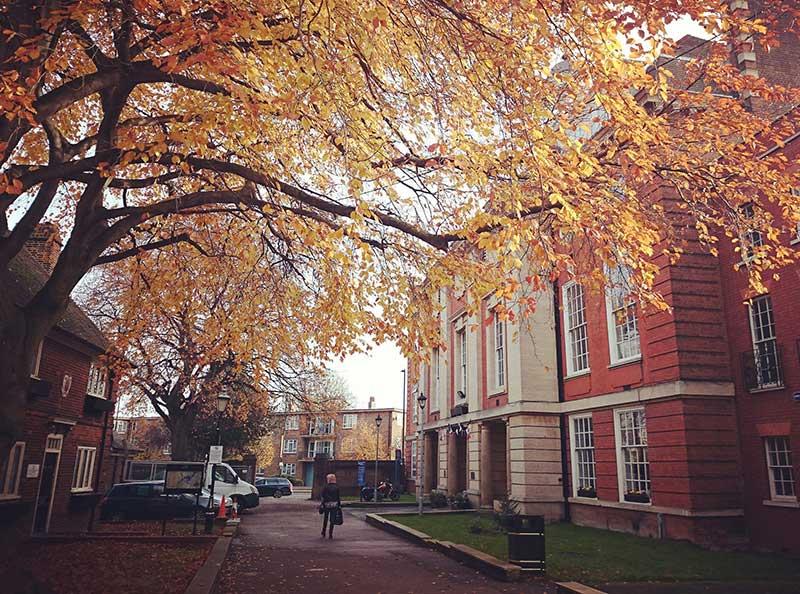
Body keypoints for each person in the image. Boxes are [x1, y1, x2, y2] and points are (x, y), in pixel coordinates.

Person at [320, 473, 341, 539]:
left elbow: (323, 495)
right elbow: (338, 497)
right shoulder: (337, 487)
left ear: (328, 479)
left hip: (327, 504)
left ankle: (323, 531)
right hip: (334, 504)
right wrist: (339, 505)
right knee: (332, 519)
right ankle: (330, 533)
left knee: (325, 518)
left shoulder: (326, 487)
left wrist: (323, 503)